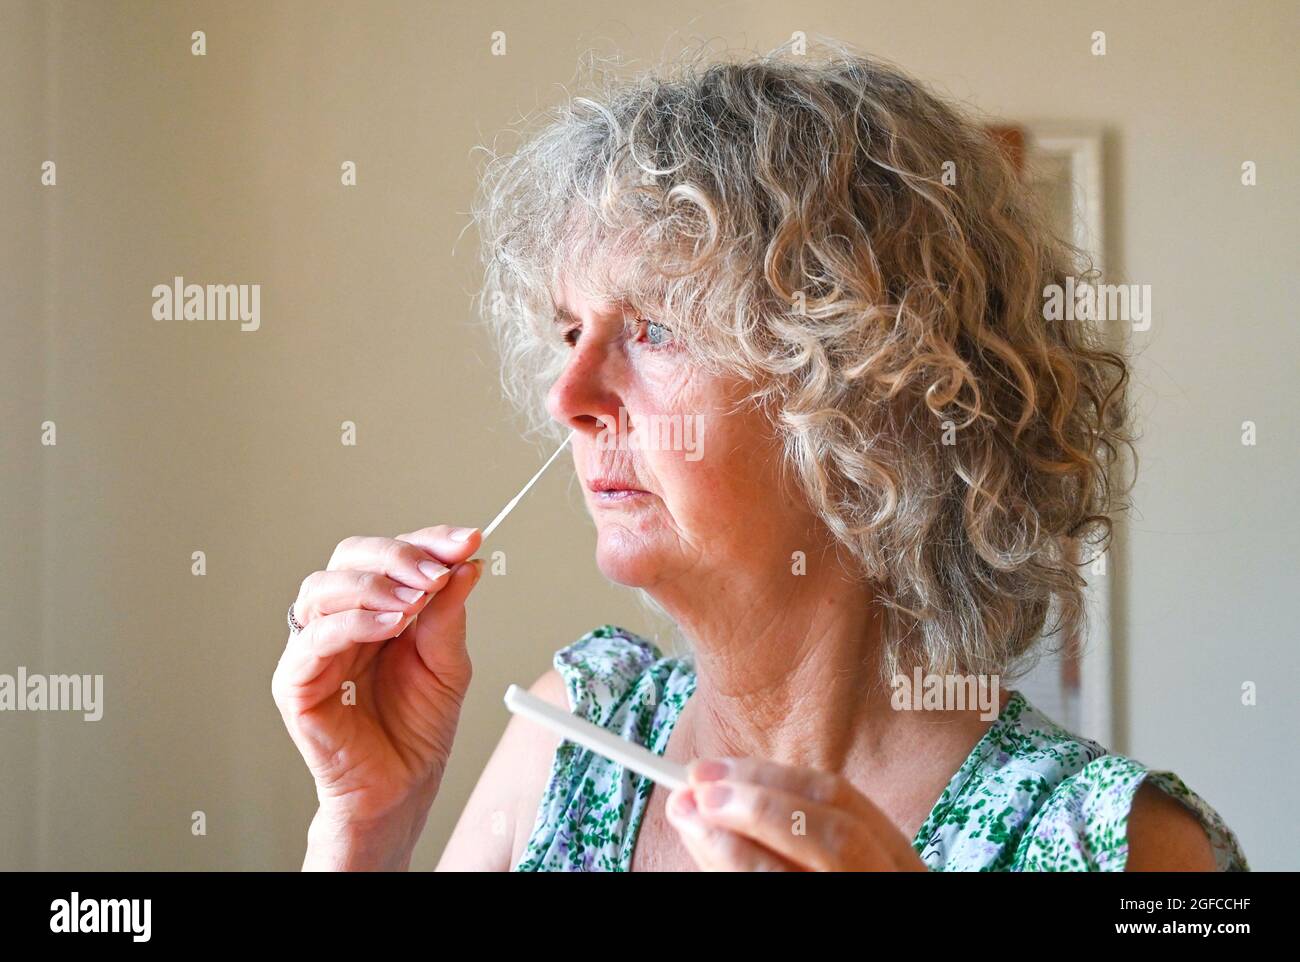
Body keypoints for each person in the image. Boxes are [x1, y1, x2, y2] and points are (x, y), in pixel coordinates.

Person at [272, 44, 1249, 871]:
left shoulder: (1119, 846)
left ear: (874, 390)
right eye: (570, 328)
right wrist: (365, 824)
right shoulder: (577, 735)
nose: (565, 397)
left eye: (652, 327)